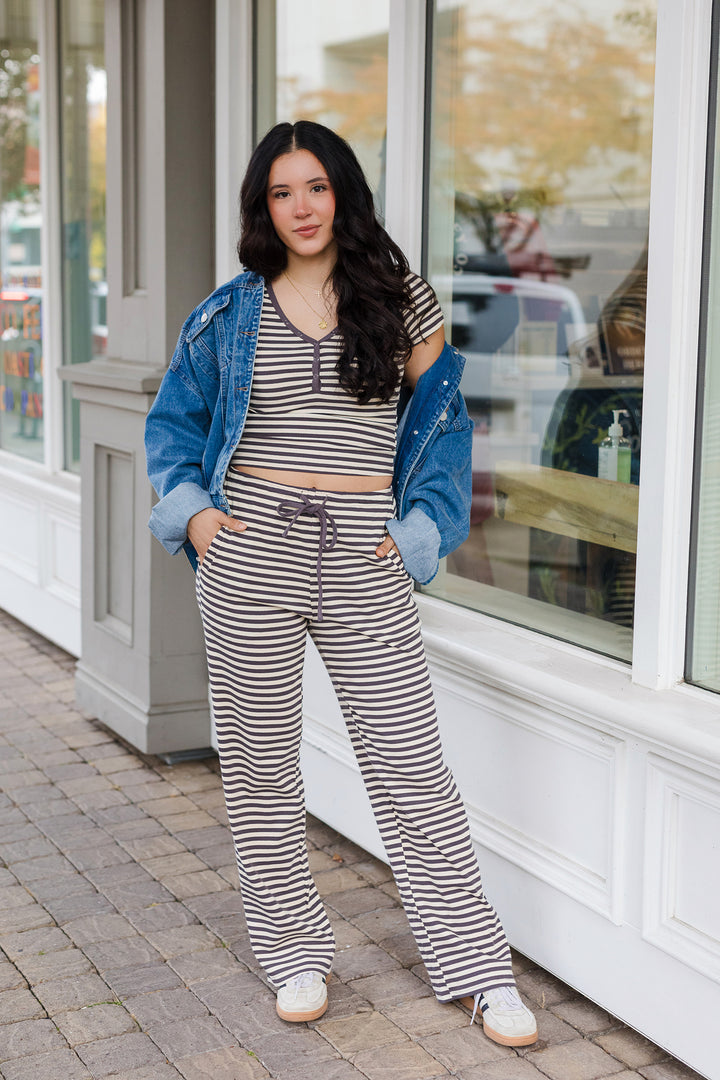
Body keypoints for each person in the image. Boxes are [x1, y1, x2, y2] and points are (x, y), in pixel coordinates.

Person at [144, 120, 537, 1048]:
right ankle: (294, 952)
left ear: (343, 192)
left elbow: (446, 432)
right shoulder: (229, 312)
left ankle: (478, 968)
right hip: (251, 549)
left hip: (364, 554)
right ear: (263, 206)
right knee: (261, 766)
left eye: (315, 187)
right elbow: (172, 428)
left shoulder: (401, 299)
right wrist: (196, 518)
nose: (301, 208)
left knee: (410, 765)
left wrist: (417, 536)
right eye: (282, 192)